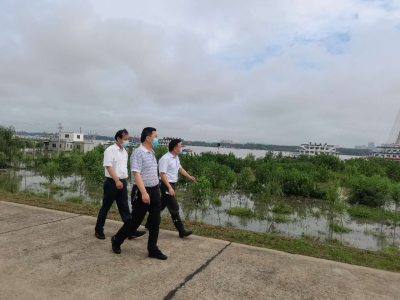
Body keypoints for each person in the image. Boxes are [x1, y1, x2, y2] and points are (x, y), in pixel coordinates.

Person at [111, 127, 167, 260]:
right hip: (143, 191)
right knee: (135, 221)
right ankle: (117, 239)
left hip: (155, 190)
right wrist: (144, 193)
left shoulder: (152, 152)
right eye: (155, 136)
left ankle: (152, 249)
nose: (157, 139)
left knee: (155, 221)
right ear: (148, 138)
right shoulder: (138, 153)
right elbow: (136, 174)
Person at [94, 129, 145, 240]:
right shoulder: (110, 150)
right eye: (125, 139)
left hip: (123, 182)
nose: (127, 141)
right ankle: (98, 230)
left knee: (125, 209)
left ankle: (130, 231)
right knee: (106, 207)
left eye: (128, 139)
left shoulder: (125, 152)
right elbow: (108, 166)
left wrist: (123, 181)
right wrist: (116, 180)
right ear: (118, 138)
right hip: (112, 182)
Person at [146, 139, 195, 237]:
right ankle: (181, 231)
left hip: (172, 184)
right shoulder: (165, 158)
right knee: (174, 207)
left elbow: (180, 168)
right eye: (180, 147)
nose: (181, 148)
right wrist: (169, 187)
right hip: (166, 184)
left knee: (160, 206)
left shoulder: (175, 157)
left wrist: (189, 176)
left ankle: (148, 224)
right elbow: (162, 174)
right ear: (175, 148)